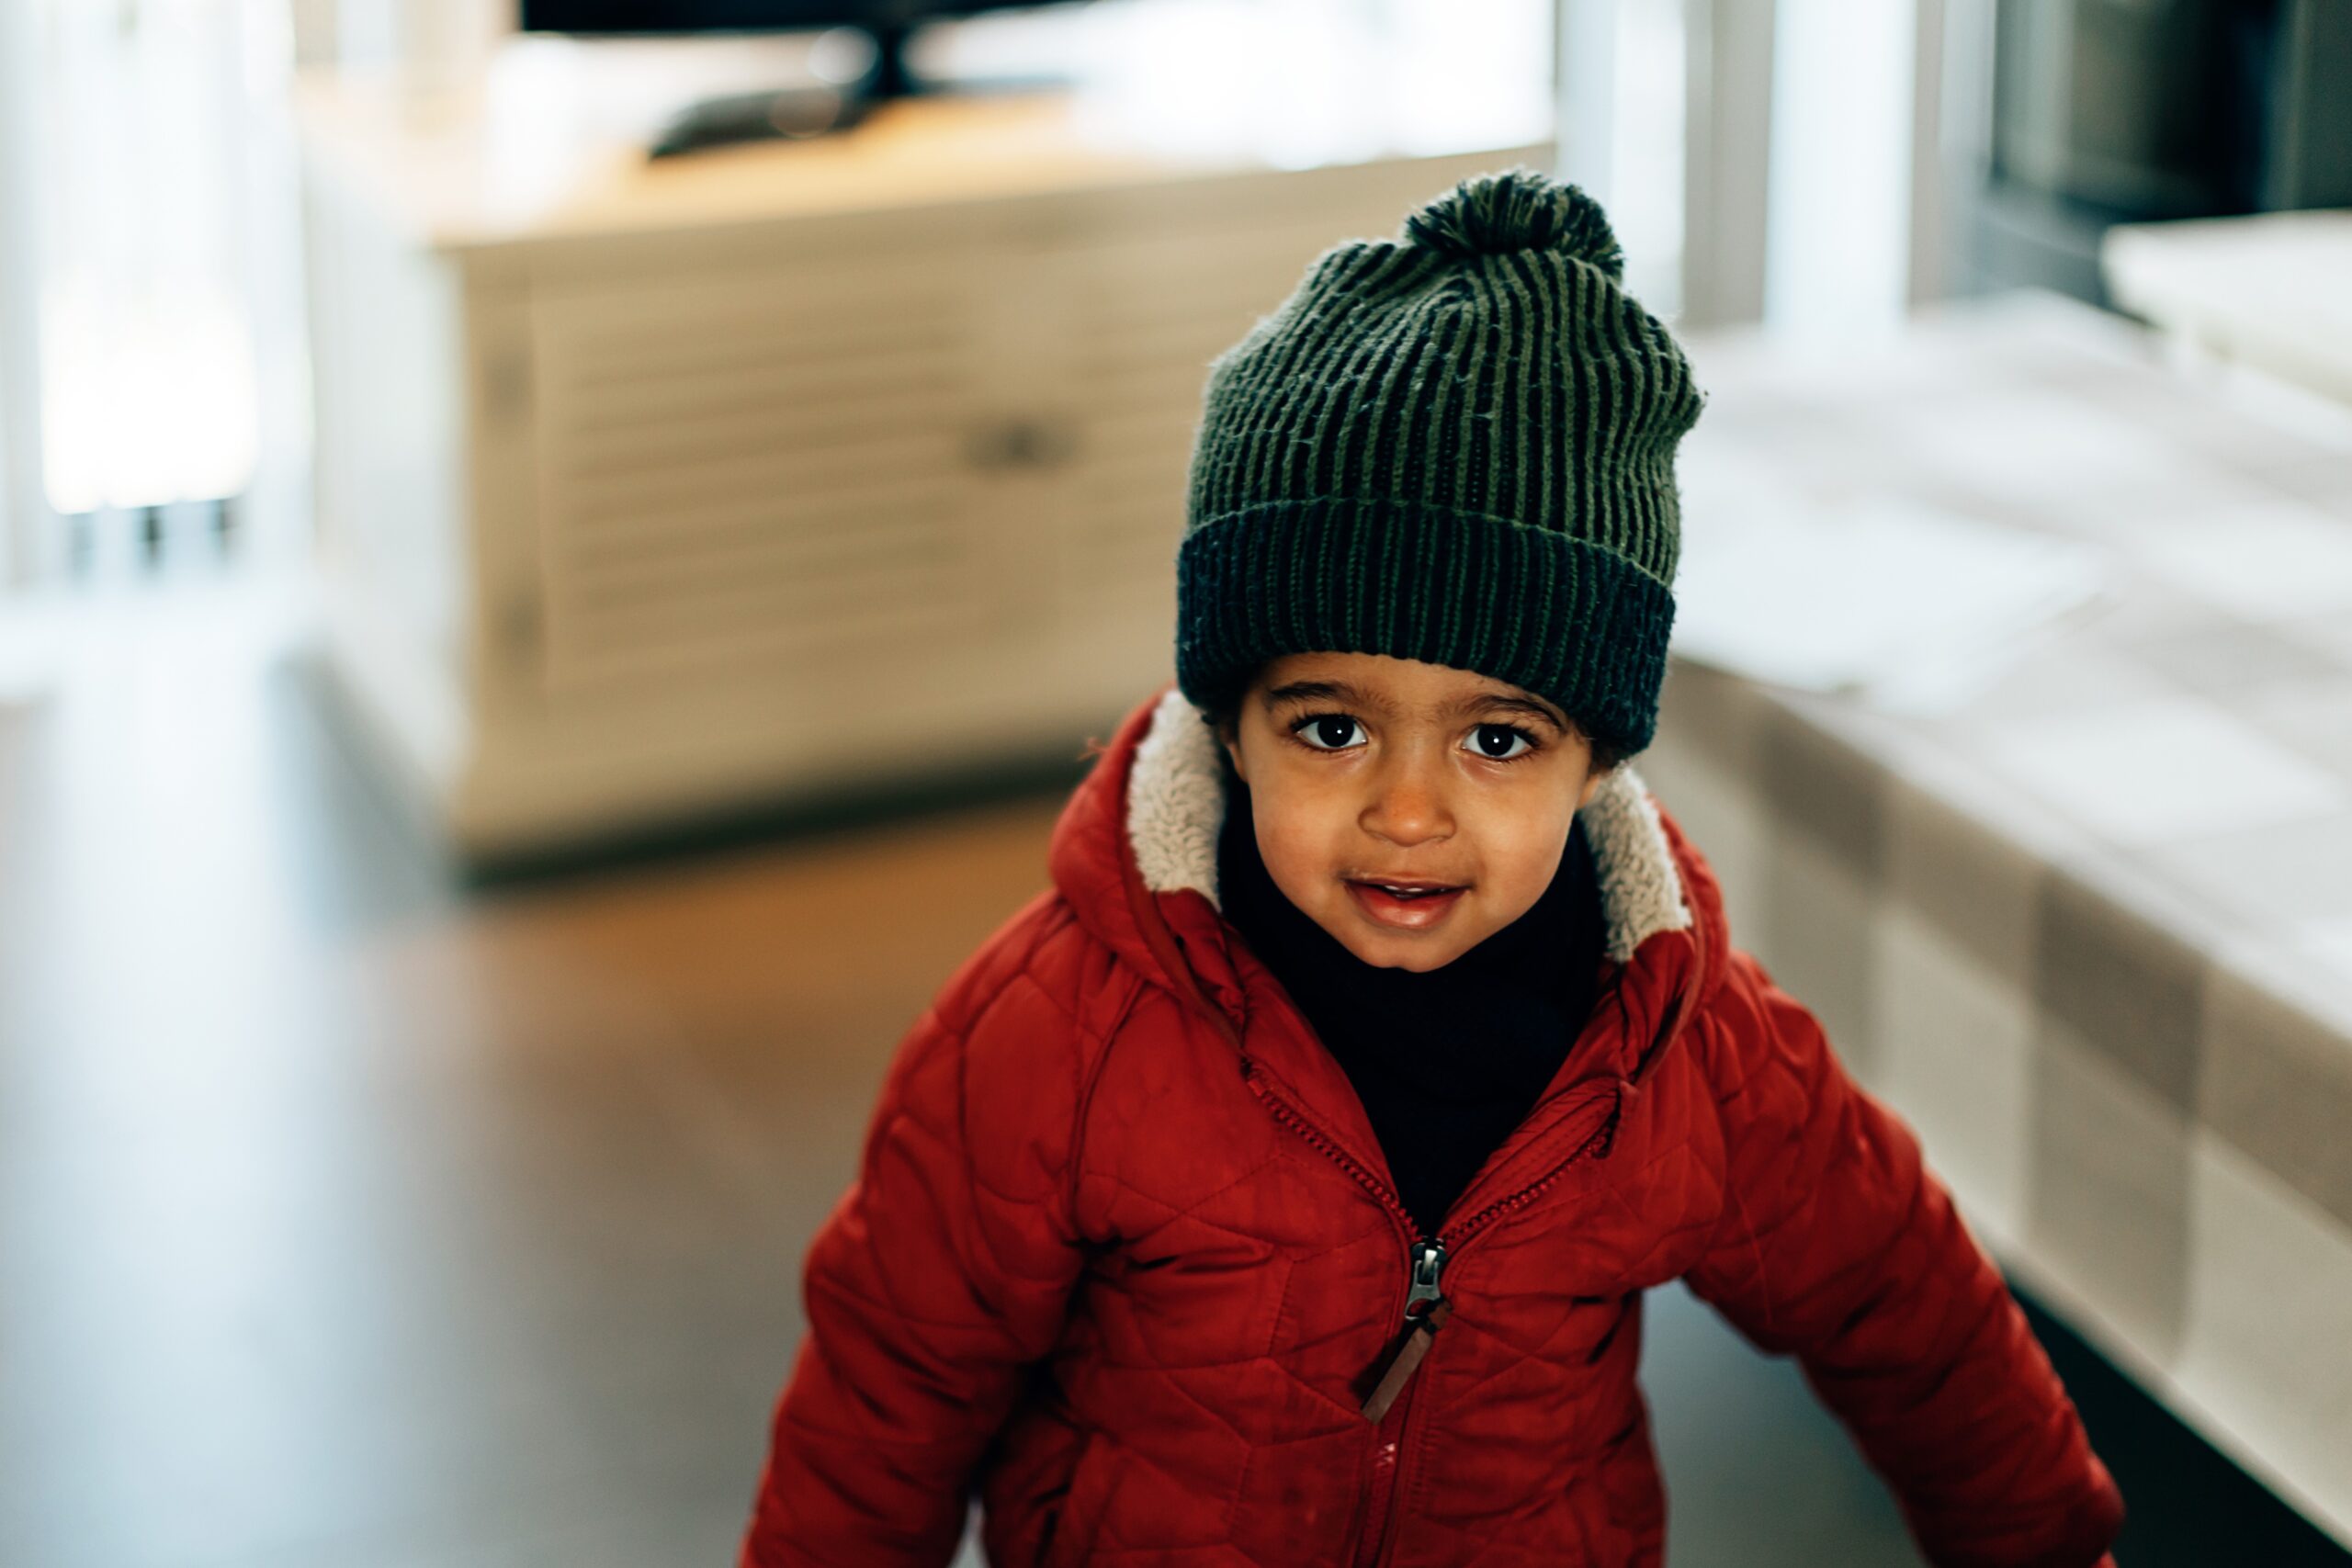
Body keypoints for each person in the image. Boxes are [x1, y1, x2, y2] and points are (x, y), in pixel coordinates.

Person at [737, 166, 2125, 1568]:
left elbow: (1914, 1313)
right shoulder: (1055, 1033)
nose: (1409, 811)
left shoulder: (1686, 1052)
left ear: (1598, 759)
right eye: (1331, 729)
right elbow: (887, 1397)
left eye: (1501, 739)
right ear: (1231, 722)